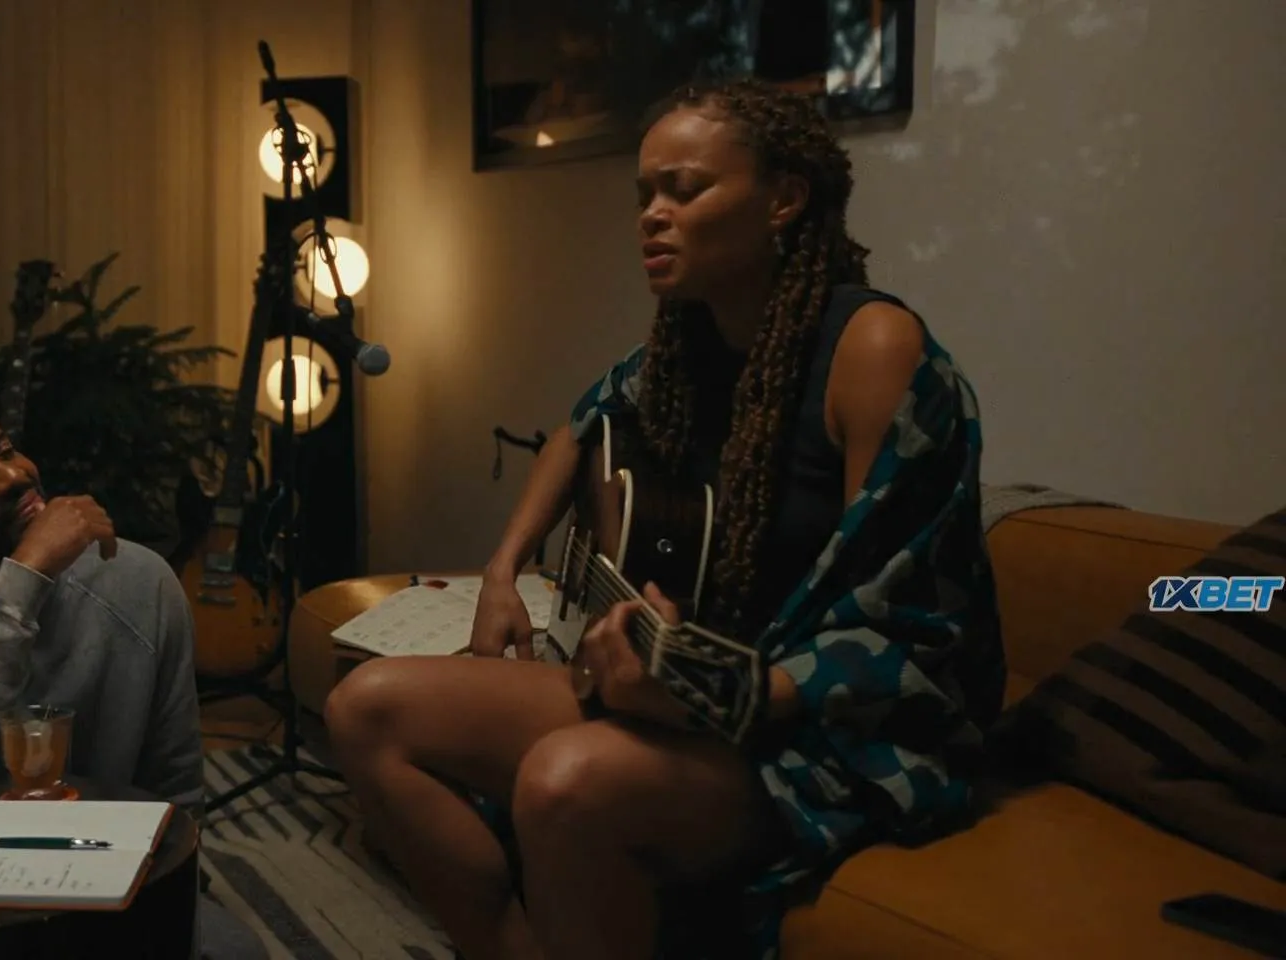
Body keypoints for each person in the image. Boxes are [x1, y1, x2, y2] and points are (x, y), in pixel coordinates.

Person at [324, 78, 1006, 960]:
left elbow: (906, 627)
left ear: (784, 199)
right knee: (366, 708)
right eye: (645, 194)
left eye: (685, 190)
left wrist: (701, 689)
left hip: (828, 734)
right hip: (688, 694)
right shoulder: (688, 345)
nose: (652, 215)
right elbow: (579, 426)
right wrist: (502, 571)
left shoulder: (873, 348)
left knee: (565, 780)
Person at [0, 394, 268, 960]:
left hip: (108, 871)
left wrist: (169, 896)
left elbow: (175, 787)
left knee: (237, 952)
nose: (14, 476)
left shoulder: (137, 580)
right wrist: (26, 575)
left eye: (5, 451)